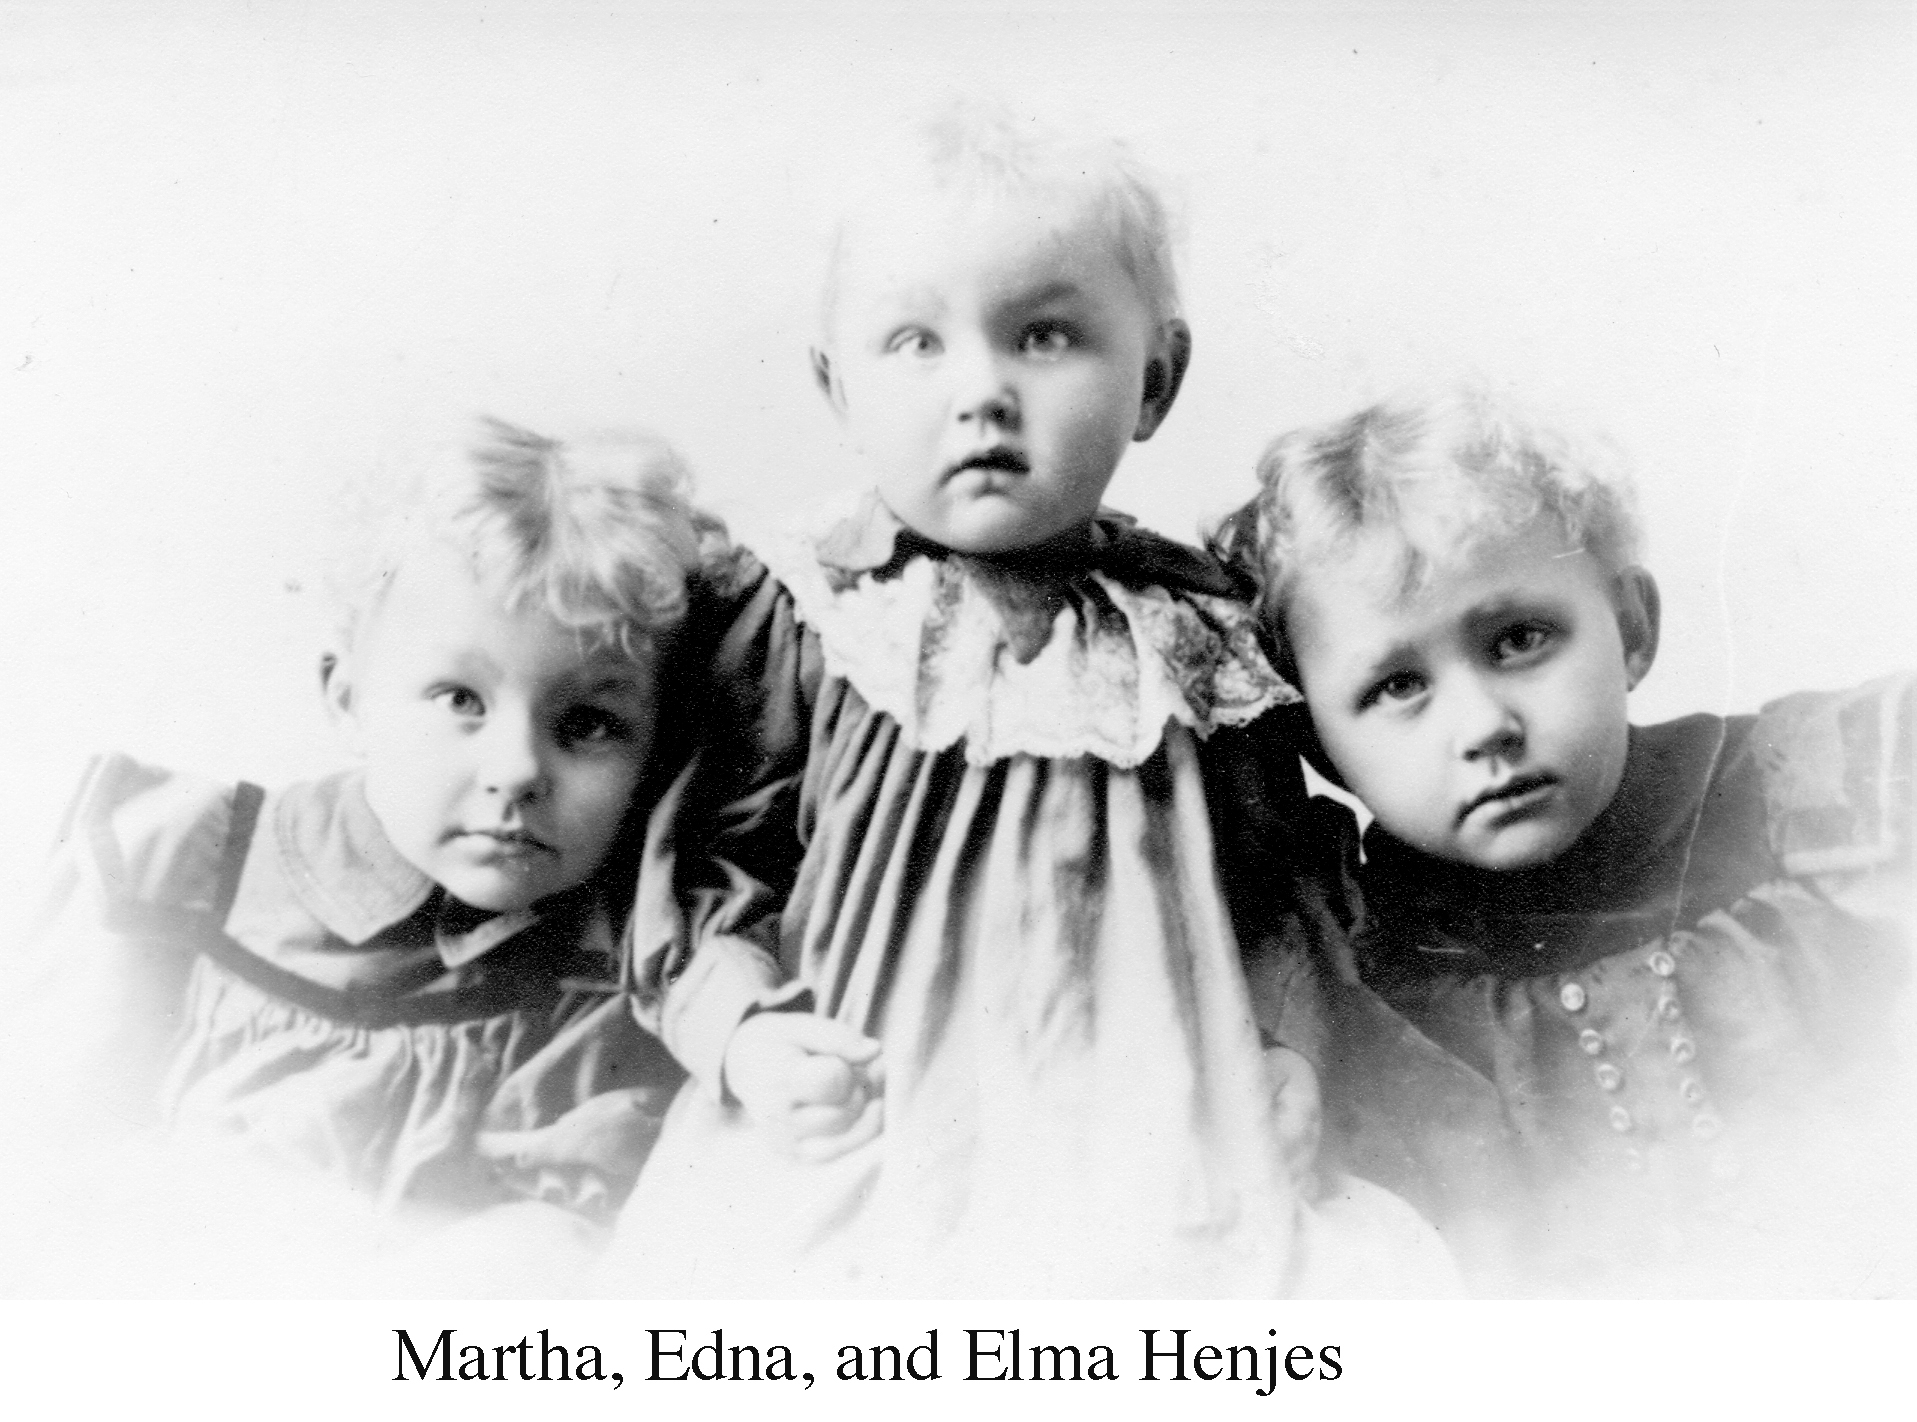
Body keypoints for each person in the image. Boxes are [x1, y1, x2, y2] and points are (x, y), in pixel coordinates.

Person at [607, 107, 1450, 1297]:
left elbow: (1281, 886)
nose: (982, 394)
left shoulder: (1195, 635)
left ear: (1155, 379)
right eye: (914, 342)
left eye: (1045, 336)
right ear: (834, 385)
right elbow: (704, 861)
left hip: (1150, 1136)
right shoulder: (810, 617)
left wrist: (1291, 1049)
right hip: (879, 1121)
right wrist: (742, 1034)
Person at [1230, 387, 1915, 1293]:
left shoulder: (1827, 798)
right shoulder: (1347, 976)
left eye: (1518, 639)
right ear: (1321, 746)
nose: (1482, 725)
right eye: (1396, 688)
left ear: (1629, 629)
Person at [10, 418, 715, 1290]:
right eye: (461, 698)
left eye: (589, 724)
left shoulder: (625, 968)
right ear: (348, 701)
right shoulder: (189, 871)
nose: (518, 771)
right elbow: (50, 1163)